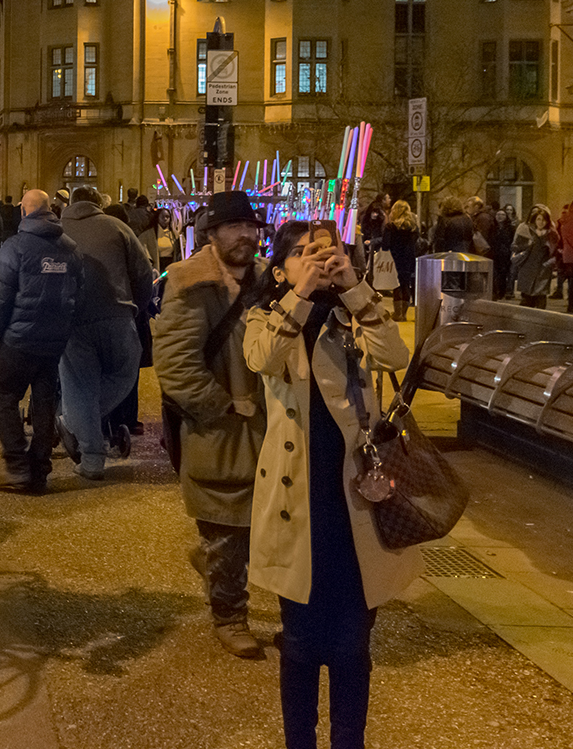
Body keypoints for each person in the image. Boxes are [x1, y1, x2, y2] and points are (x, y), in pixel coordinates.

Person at [243, 220, 416, 749]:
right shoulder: (265, 317)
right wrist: (300, 297)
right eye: (301, 253)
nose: (317, 259)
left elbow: (396, 358)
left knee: (352, 644)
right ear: (279, 270)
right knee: (297, 643)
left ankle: (349, 742)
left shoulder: (353, 314)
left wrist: (356, 287)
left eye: (325, 250)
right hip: (297, 501)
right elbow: (262, 359)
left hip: (355, 500)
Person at [151, 189, 269, 659]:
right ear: (212, 234)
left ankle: (214, 564)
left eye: (250, 226)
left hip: (269, 428)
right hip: (220, 430)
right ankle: (230, 615)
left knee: (269, 524)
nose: (245, 235)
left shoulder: (268, 282)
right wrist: (221, 407)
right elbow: (176, 364)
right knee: (228, 524)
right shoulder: (191, 283)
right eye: (233, 227)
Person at [0, 189, 82, 492]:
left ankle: (17, 464)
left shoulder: (14, 247)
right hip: (53, 341)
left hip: (19, 338)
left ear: (24, 212)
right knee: (44, 403)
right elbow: (78, 292)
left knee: (4, 393)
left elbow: (1, 297)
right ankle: (40, 469)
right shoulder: (69, 248)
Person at [58, 186, 152, 479]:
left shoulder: (57, 230)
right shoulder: (119, 227)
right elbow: (143, 273)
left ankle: (90, 453)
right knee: (126, 371)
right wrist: (137, 305)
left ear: (71, 203)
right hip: (118, 315)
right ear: (98, 203)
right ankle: (79, 420)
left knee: (79, 386)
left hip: (72, 319)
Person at [380, 201, 420, 321]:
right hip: (409, 258)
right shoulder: (413, 228)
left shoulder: (391, 227)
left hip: (395, 258)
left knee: (396, 285)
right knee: (406, 284)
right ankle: (404, 313)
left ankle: (397, 313)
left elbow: (385, 245)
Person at [512, 205, 558, 309]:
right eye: (538, 219)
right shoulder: (526, 230)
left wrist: (548, 265)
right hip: (527, 268)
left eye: (544, 220)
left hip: (542, 271)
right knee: (526, 300)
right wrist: (527, 245)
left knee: (541, 298)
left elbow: (555, 254)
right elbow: (515, 247)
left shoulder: (552, 234)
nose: (541, 222)